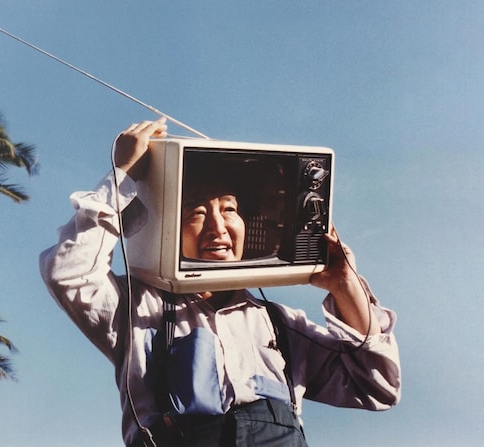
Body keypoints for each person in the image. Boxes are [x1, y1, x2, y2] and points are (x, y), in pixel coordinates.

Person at [39, 118, 401, 446]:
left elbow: (377, 386)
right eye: (197, 212)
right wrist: (123, 176)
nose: (218, 227)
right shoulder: (134, 307)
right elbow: (69, 272)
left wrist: (345, 285)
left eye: (229, 209)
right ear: (166, 228)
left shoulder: (278, 323)